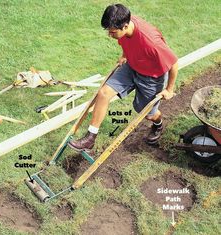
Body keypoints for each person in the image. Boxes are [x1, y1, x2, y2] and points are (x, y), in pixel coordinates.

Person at [68, 3, 178, 152]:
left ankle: (158, 125)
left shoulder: (151, 42)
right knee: (103, 93)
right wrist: (124, 56)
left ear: (125, 27)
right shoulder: (123, 25)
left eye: (112, 32)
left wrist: (169, 90)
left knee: (147, 114)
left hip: (151, 77)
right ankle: (90, 139)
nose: (110, 35)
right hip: (132, 66)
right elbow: (126, 42)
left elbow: (174, 63)